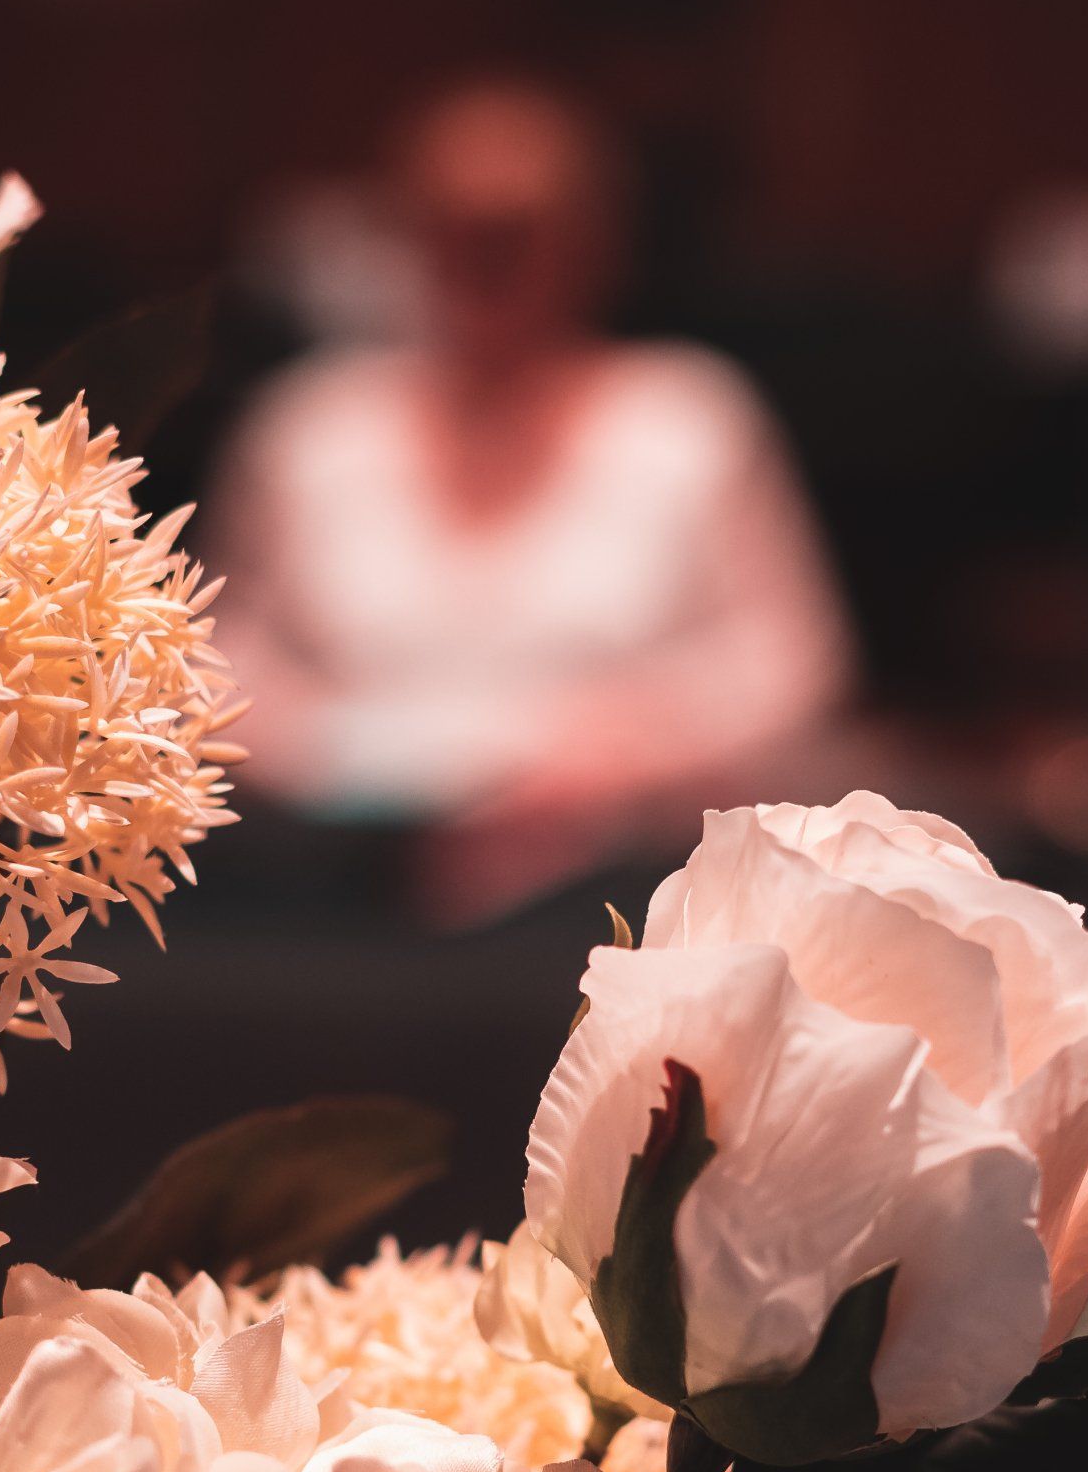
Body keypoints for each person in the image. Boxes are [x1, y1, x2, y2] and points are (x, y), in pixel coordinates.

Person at [211, 79, 856, 909]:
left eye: (517, 234)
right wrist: (326, 766)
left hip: (632, 874)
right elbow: (223, 659)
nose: (485, 262)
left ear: (593, 241)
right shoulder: (311, 427)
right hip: (341, 878)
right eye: (453, 228)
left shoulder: (689, 418)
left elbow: (791, 663)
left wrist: (621, 757)